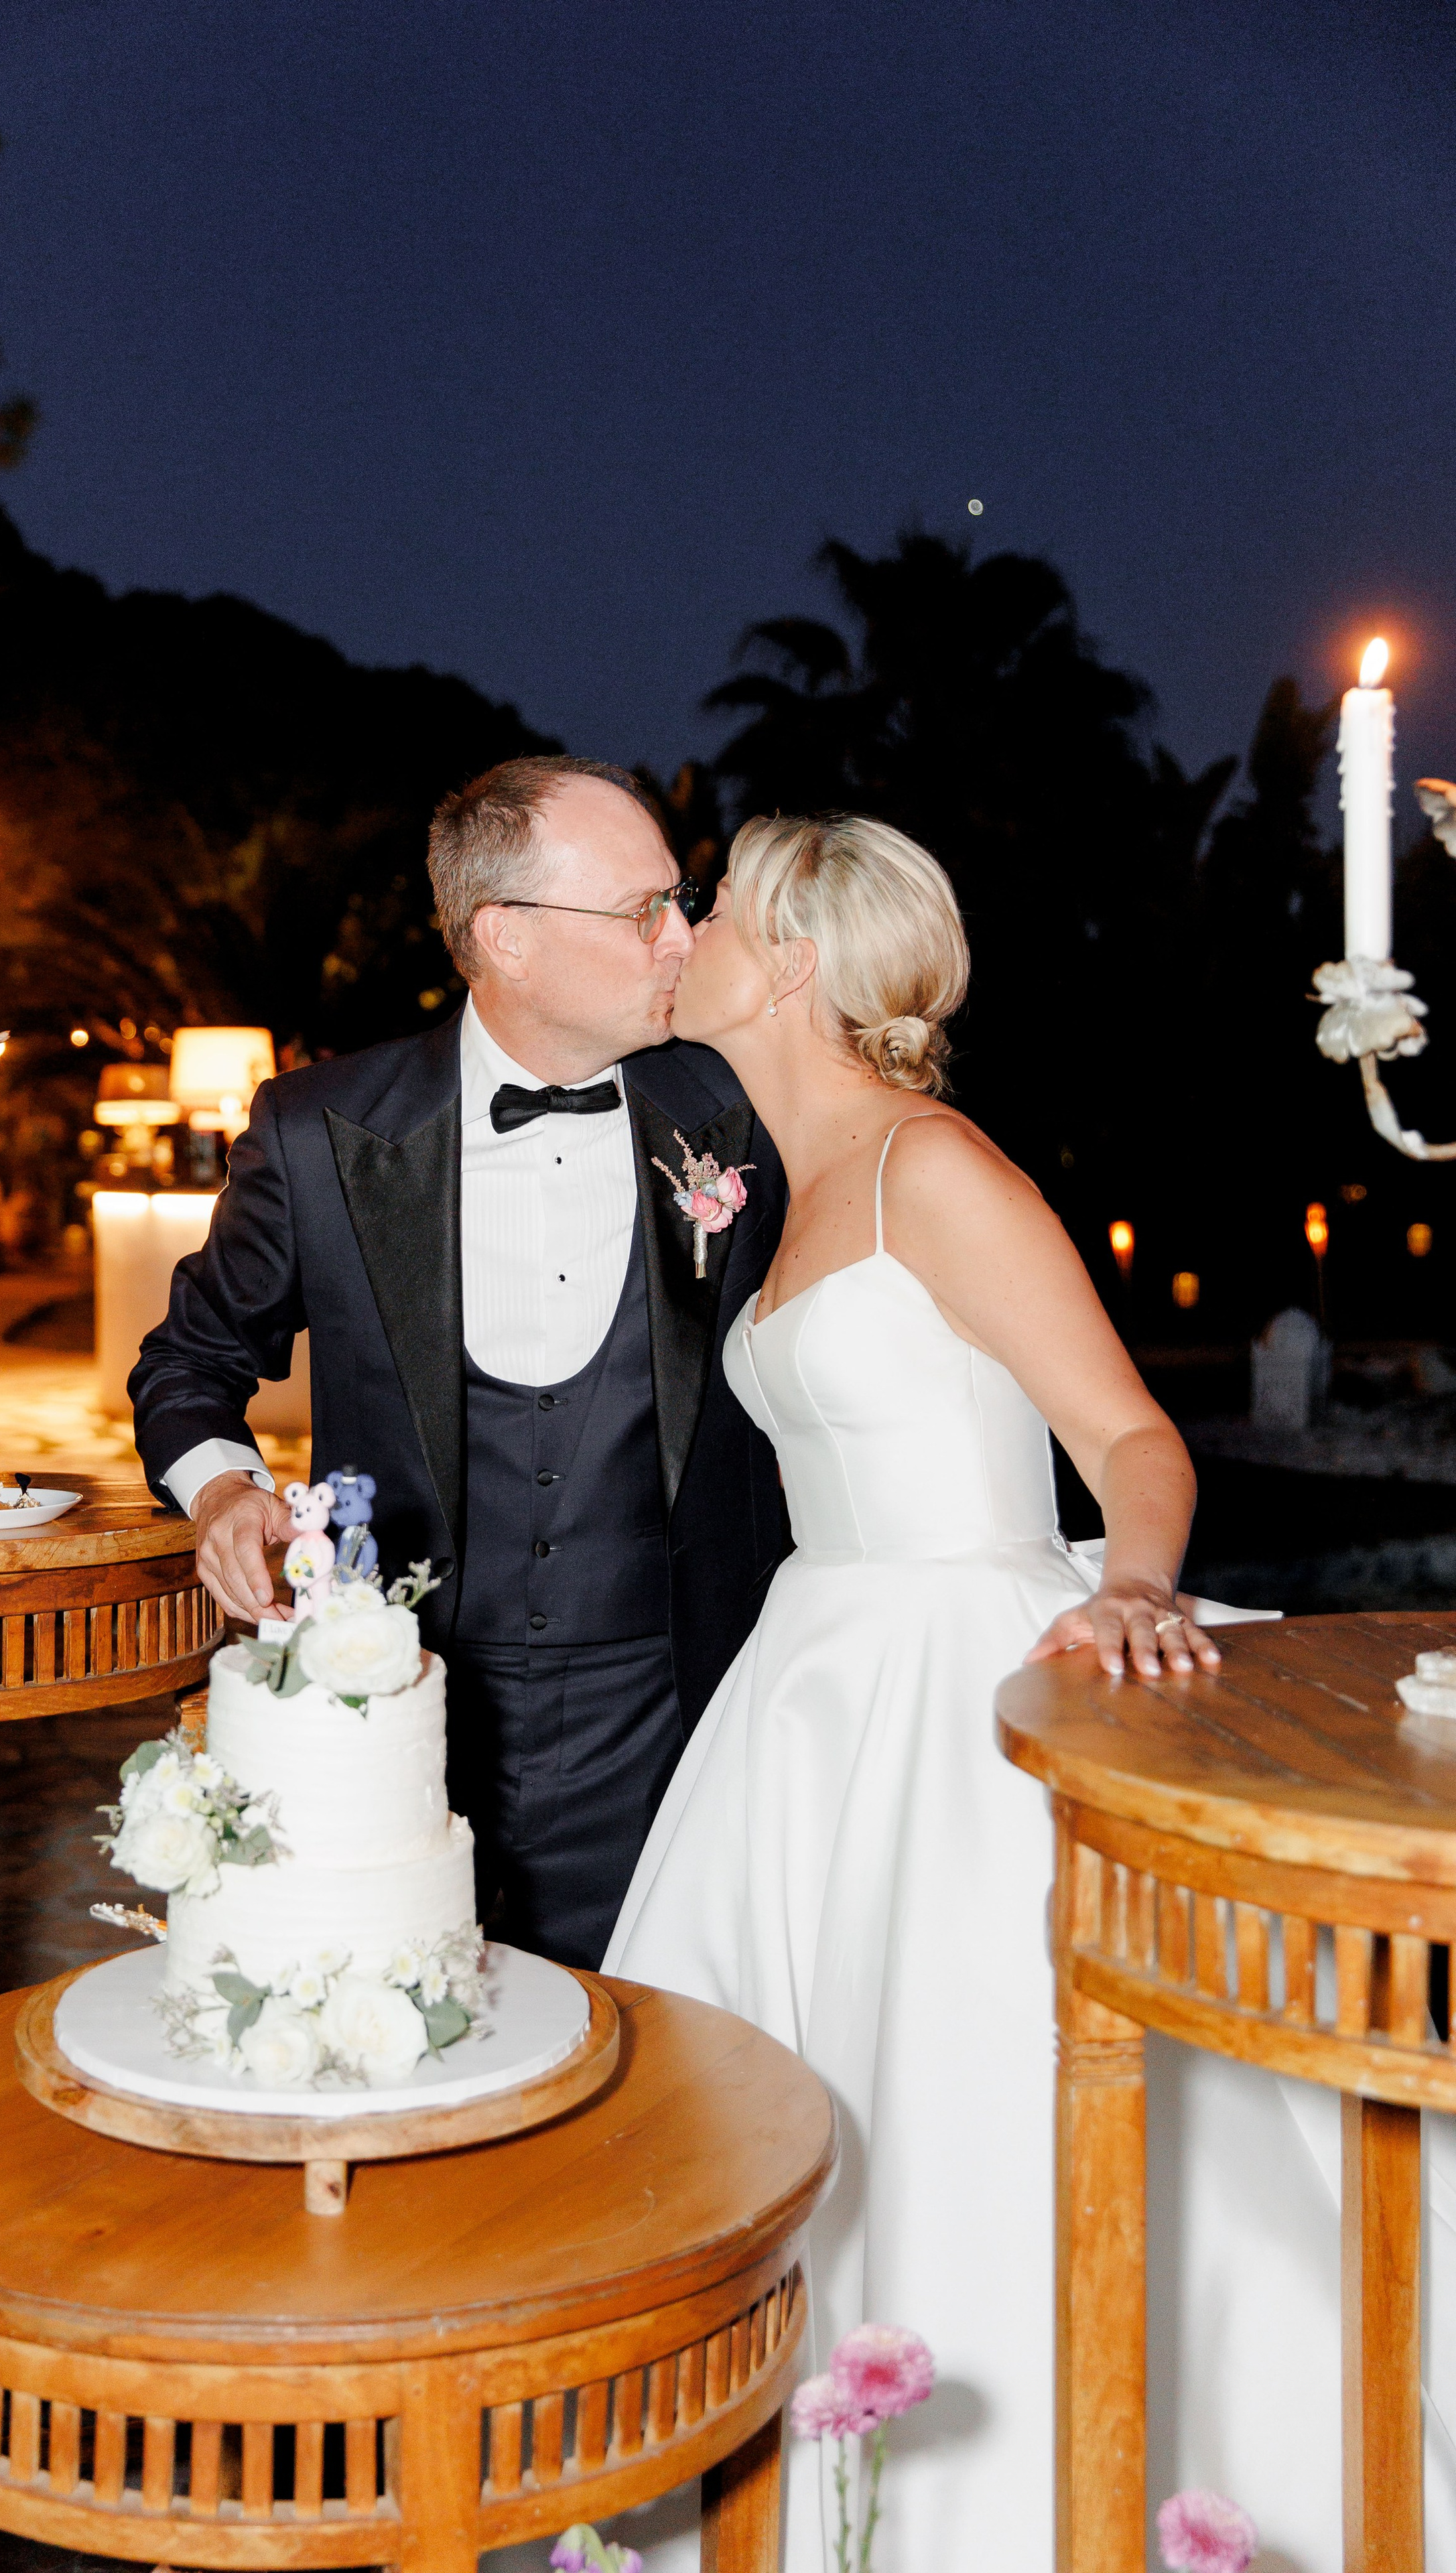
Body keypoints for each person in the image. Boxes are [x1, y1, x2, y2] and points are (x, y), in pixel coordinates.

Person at [603, 813, 1456, 2570]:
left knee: (969, 2103)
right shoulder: (784, 1176)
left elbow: (1132, 1436)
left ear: (793, 964)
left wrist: (1130, 1584)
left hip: (962, 1688)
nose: (681, 927)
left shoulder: (934, 1171)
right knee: (787, 2109)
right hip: (808, 1690)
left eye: (715, 906)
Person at [129, 756, 788, 1970]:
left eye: (680, 900)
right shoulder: (320, 1133)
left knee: (656, 2056)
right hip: (402, 1713)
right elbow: (192, 1357)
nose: (682, 938)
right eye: (642, 909)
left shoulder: (746, 1116)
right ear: (506, 937)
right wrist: (222, 1491)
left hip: (676, 1719)